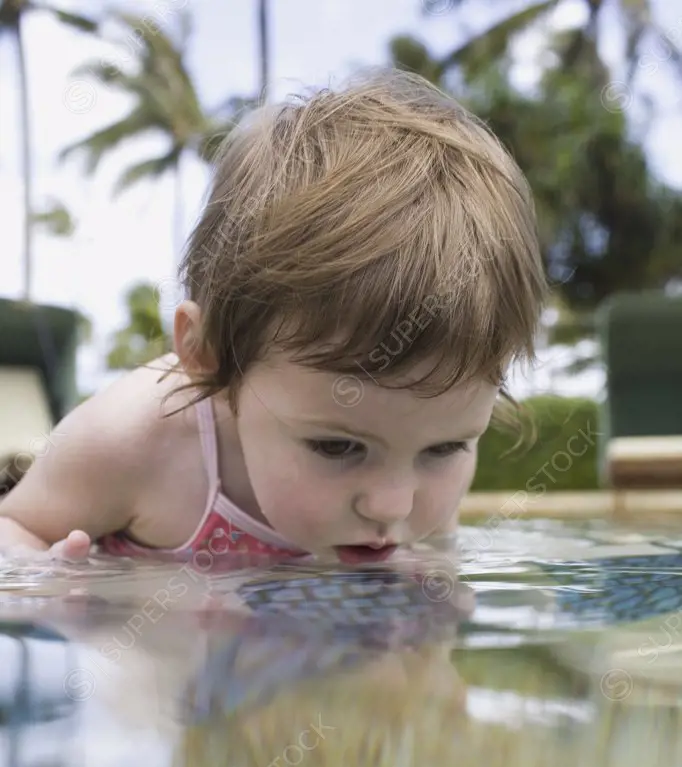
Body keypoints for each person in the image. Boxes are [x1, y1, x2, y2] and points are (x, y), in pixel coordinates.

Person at [0, 68, 546, 565]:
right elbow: (14, 526)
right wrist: (48, 583)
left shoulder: (413, 464)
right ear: (208, 356)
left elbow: (435, 574)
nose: (392, 505)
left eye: (445, 449)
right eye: (337, 446)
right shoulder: (131, 439)